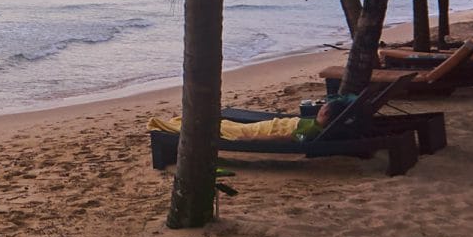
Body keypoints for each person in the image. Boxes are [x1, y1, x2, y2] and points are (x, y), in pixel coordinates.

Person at [148, 98, 347, 141]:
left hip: (265, 131)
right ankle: (184, 121)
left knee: (227, 129)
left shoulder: (312, 132)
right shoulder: (316, 124)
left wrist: (252, 140)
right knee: (226, 124)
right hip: (272, 124)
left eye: (322, 110)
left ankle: (174, 124)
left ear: (327, 116)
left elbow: (285, 137)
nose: (320, 110)